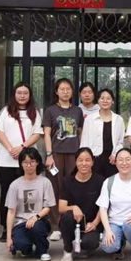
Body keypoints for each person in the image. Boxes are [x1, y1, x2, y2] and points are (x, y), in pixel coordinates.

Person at [0, 82, 43, 243]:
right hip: (6, 160)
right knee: (7, 193)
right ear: (14, 95)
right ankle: (6, 227)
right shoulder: (5, 111)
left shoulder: (35, 113)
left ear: (30, 95)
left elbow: (37, 133)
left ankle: (27, 224)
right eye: (19, 93)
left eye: (25, 93)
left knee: (29, 192)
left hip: (28, 161)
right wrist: (10, 149)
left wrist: (22, 147)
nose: (22, 96)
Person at [43, 78, 84, 241]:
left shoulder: (77, 111)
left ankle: (71, 224)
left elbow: (80, 133)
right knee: (55, 188)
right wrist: (49, 154)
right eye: (62, 89)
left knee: (72, 188)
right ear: (57, 91)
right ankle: (55, 226)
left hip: (74, 154)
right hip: (56, 155)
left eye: (68, 89)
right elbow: (47, 134)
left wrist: (81, 155)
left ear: (72, 92)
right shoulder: (50, 111)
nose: (65, 92)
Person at [5, 148, 56, 261]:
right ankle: (25, 247)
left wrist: (35, 217)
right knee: (21, 244)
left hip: (39, 221)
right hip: (21, 223)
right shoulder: (15, 185)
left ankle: (42, 251)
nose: (29, 165)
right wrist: (8, 238)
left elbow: (48, 207)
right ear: (21, 164)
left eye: (32, 161)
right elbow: (11, 212)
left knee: (38, 227)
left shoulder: (45, 182)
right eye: (25, 162)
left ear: (37, 162)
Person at [58, 148, 105, 261]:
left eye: (87, 160)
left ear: (92, 162)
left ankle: (83, 247)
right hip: (72, 222)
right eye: (80, 160)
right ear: (76, 162)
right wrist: (73, 207)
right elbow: (61, 207)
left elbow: (103, 207)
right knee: (67, 217)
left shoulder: (100, 181)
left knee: (90, 243)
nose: (84, 163)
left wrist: (95, 223)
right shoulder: (67, 180)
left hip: (91, 224)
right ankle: (68, 250)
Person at [80, 88, 125, 178]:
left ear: (112, 101)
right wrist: (85, 159)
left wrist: (115, 154)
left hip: (112, 159)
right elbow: (84, 141)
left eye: (108, 98)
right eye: (102, 98)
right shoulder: (90, 119)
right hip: (95, 158)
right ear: (98, 100)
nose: (105, 101)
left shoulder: (118, 119)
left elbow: (120, 142)